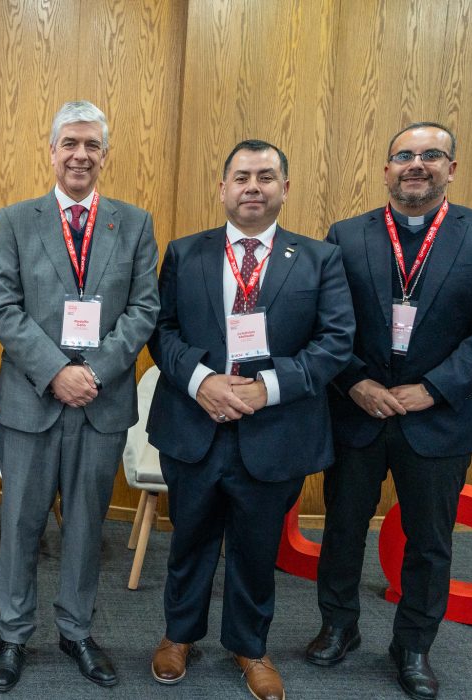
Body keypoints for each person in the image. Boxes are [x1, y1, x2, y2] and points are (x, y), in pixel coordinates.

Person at [306, 123, 472, 700]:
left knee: (430, 540)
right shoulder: (346, 236)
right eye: (404, 155)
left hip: (440, 413)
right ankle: (339, 626)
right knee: (344, 527)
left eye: (431, 155)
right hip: (359, 408)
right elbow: (327, 323)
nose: (416, 164)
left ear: (451, 168)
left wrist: (434, 387)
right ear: (386, 169)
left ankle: (414, 646)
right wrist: (355, 382)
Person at [146, 140, 354, 700]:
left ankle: (249, 646)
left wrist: (266, 389)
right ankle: (178, 636)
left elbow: (335, 342)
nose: (253, 187)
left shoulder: (319, 259)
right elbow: (161, 332)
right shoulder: (185, 253)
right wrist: (202, 382)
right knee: (189, 538)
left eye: (266, 177)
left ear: (285, 188)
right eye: (242, 177)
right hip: (196, 423)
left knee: (257, 547)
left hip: (276, 430)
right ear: (223, 188)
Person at [0, 100, 159, 691]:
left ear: (105, 155)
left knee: (87, 525)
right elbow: (2, 308)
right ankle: (12, 634)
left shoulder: (134, 223)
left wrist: (98, 371)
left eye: (91, 145)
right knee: (20, 524)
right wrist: (57, 371)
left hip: (101, 403)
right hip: (32, 399)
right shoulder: (14, 219)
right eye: (70, 144)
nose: (80, 155)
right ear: (51, 150)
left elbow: (144, 310)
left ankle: (76, 629)